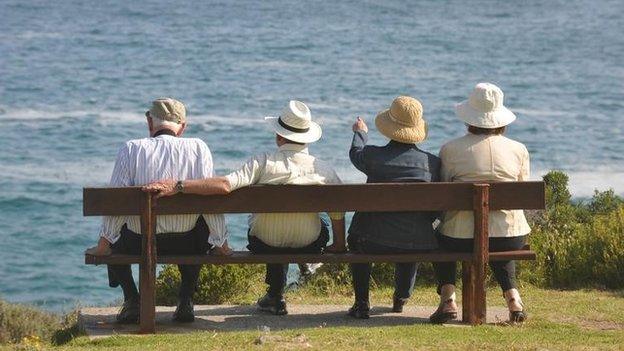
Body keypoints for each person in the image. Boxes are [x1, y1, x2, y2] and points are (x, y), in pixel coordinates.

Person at [143, 100, 346, 316]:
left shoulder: (263, 162)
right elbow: (339, 208)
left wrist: (179, 185)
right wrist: (339, 244)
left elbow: (224, 185)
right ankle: (282, 289)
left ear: (279, 136)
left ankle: (275, 295)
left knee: (268, 226)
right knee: (318, 222)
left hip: (264, 243)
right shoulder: (324, 169)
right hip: (309, 244)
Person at [85, 98, 230, 324]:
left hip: (139, 241)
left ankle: (133, 300)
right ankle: (185, 300)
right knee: (201, 225)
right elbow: (209, 202)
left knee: (115, 235)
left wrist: (105, 243)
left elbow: (117, 205)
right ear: (182, 126)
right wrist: (220, 242)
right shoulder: (199, 148)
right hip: (186, 242)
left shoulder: (131, 149)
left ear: (149, 122)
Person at [429, 83, 531, 324]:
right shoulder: (519, 149)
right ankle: (513, 298)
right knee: (495, 237)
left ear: (470, 117)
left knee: (440, 239)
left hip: (460, 236)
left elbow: (444, 192)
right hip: (511, 234)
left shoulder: (451, 149)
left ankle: (447, 299)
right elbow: (521, 190)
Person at [347, 96, 441, 319]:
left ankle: (361, 303)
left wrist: (360, 132)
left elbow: (355, 154)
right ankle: (401, 297)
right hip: (416, 242)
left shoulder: (372, 157)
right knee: (411, 229)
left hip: (370, 241)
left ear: (389, 127)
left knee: (357, 236)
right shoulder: (432, 164)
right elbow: (437, 210)